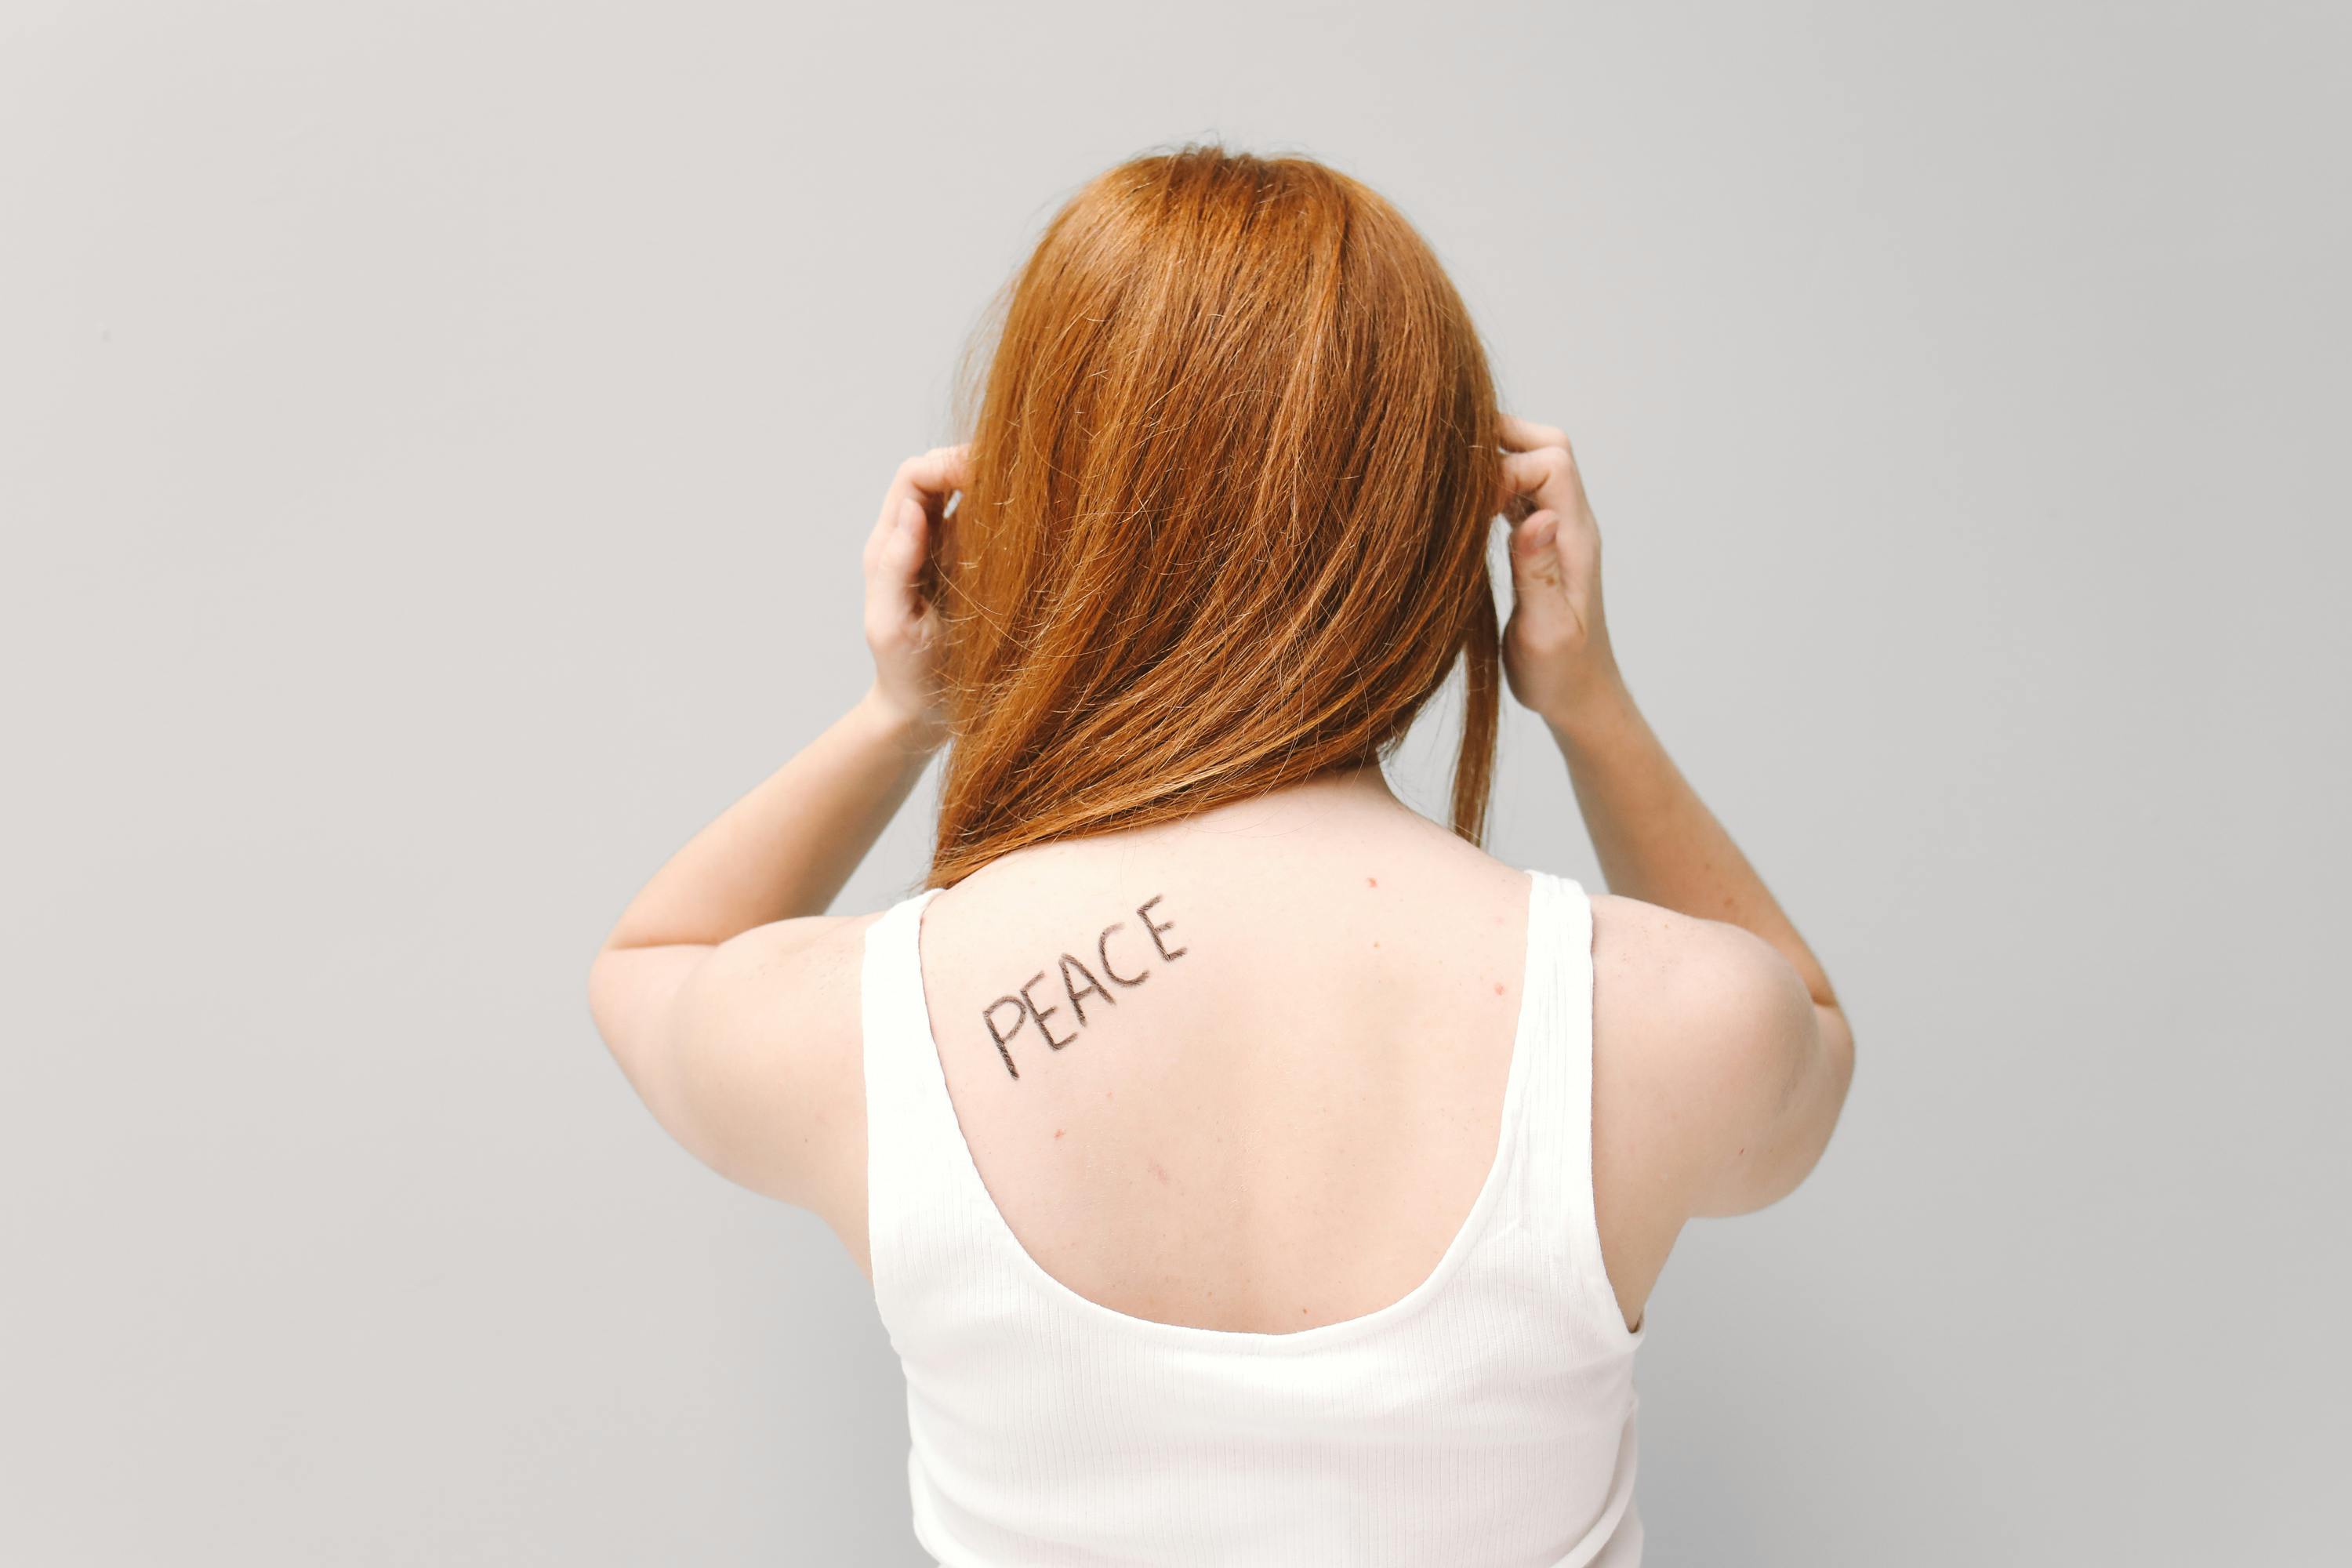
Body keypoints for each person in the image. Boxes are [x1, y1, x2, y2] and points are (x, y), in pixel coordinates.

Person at [587, 144, 1854, 1566]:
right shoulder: (1667, 1023)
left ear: (1038, 523)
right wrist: (1590, 702)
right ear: (1452, 526)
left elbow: (651, 967)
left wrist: (902, 711)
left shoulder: (861, 1031)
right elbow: (1811, 1038)